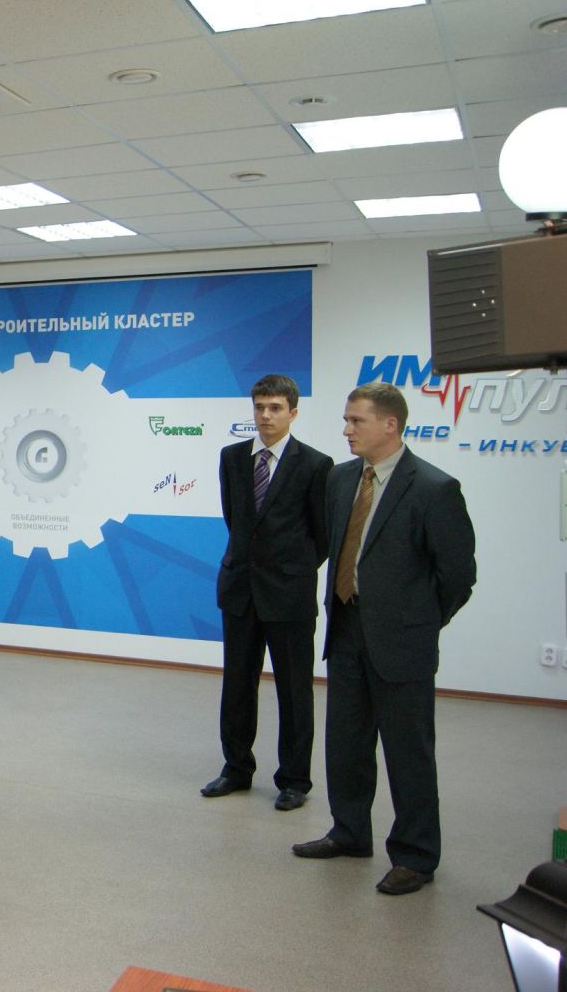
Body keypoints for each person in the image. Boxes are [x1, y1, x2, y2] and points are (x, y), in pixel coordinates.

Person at [292, 383, 476, 896]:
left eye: (356, 421)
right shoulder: (340, 479)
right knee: (346, 744)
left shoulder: (434, 488)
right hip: (346, 630)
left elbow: (458, 576)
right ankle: (349, 832)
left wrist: (420, 622)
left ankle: (415, 856)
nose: (346, 430)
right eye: (346, 420)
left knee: (408, 753)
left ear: (390, 425)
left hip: (402, 642)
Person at [201, 374, 332, 812]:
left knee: (294, 691)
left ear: (293, 412)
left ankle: (294, 779)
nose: (266, 416)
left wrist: (290, 569)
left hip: (289, 594)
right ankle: (236, 768)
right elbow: (235, 520)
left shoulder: (315, 464)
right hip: (240, 590)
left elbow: (321, 535)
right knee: (237, 685)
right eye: (259, 407)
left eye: (275, 408)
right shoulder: (232, 458)